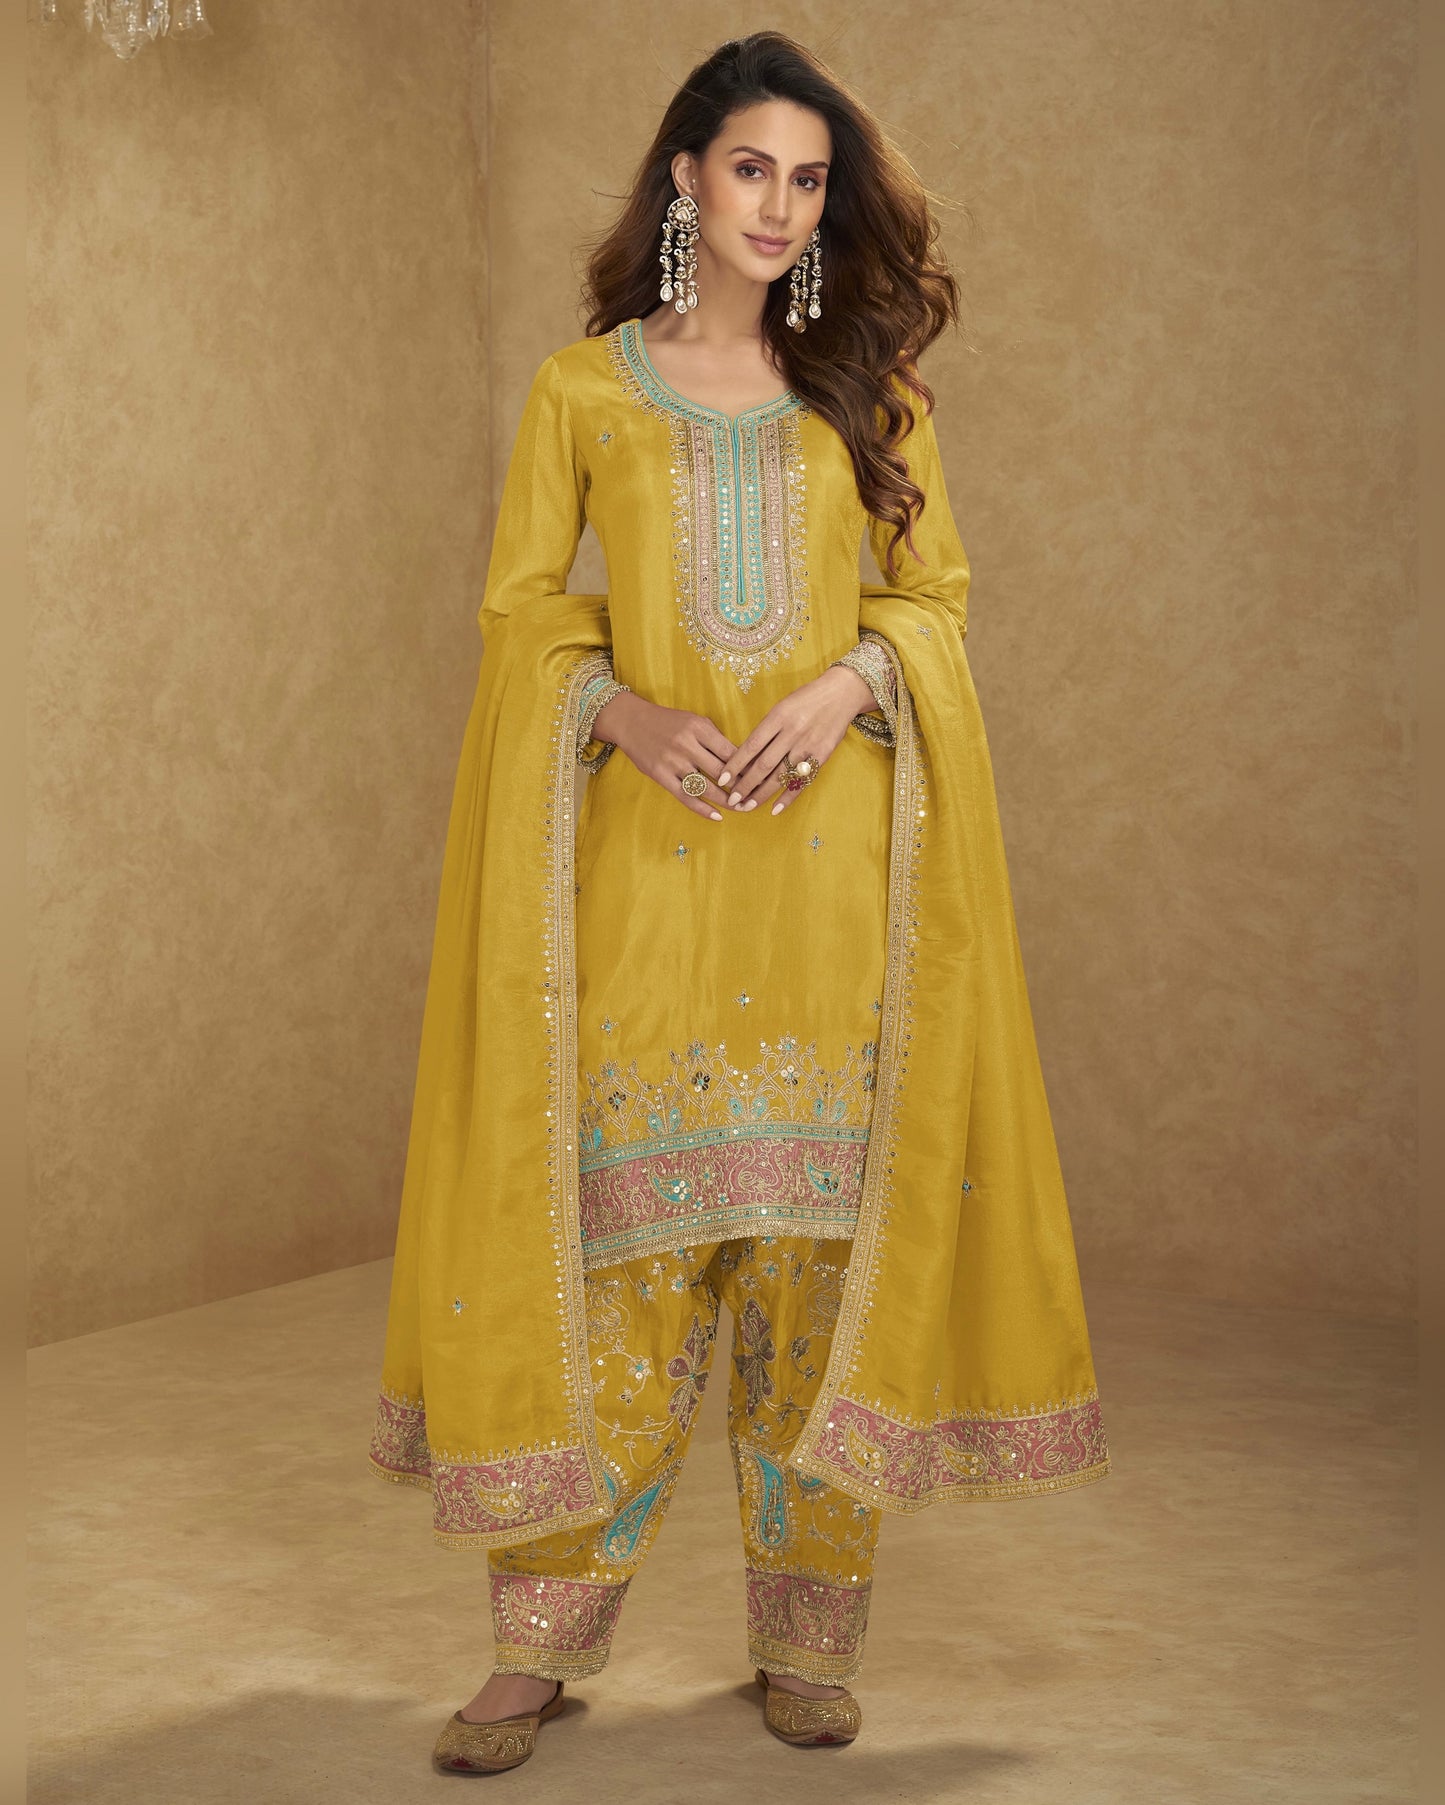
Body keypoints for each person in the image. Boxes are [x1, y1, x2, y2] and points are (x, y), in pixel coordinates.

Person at [367, 30, 1111, 1776]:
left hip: (836, 882)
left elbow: (938, 599)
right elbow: (515, 614)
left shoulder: (875, 392)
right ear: (686, 180)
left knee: (811, 1268)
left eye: (808, 178)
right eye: (751, 169)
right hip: (642, 879)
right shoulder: (584, 390)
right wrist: (614, 705)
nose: (780, 205)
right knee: (614, 1271)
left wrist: (851, 684)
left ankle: (806, 1641)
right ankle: (535, 1650)